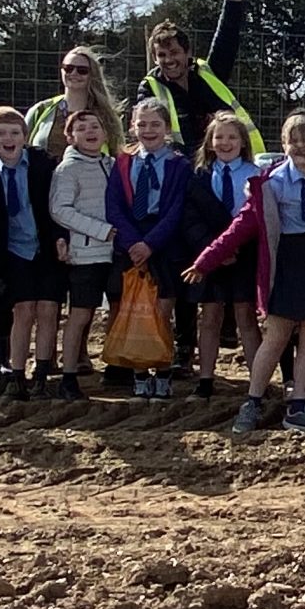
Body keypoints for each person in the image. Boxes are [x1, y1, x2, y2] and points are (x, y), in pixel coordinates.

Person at [190, 112, 305, 435]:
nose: (300, 146)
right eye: (293, 140)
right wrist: (206, 260)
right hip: (287, 261)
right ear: (283, 145)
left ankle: (300, 406)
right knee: (278, 333)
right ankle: (252, 401)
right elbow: (242, 225)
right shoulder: (270, 182)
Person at [106, 98, 192, 399]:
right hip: (132, 244)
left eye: (155, 124)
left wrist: (151, 243)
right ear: (132, 127)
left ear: (167, 128)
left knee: (161, 312)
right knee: (136, 311)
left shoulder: (179, 165)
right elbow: (114, 206)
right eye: (142, 124)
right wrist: (133, 243)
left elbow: (177, 209)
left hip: (164, 245)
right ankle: (140, 372)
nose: (148, 130)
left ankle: (164, 370)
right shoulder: (123, 162)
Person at [0, 105, 60, 398]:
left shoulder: (43, 164)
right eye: (0, 133)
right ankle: (16, 374)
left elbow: (57, 205)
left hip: (46, 248)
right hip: (13, 252)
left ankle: (43, 372)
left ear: (25, 136)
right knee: (22, 311)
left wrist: (61, 239)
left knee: (49, 310)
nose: (8, 138)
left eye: (14, 132)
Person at [180, 112, 263, 399]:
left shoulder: (256, 175)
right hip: (209, 256)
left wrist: (234, 248)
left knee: (246, 318)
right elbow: (189, 219)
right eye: (219, 137)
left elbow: (260, 219)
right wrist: (213, 250)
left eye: (232, 137)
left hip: (245, 256)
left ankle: (258, 383)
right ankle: (205, 381)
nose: (225, 142)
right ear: (210, 142)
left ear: (243, 142)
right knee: (210, 317)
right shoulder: (199, 176)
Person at [140, 0, 261, 156]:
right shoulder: (149, 88)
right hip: (182, 172)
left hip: (229, 163)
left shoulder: (207, 74)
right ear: (154, 59)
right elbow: (147, 130)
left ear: (188, 53)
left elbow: (227, 37)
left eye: (174, 53)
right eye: (161, 55)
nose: (168, 60)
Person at [47, 105, 116, 401]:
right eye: (82, 128)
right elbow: (59, 209)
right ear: (70, 136)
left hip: (115, 253)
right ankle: (69, 375)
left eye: (95, 126)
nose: (90, 132)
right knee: (80, 314)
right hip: (86, 255)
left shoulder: (112, 164)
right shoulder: (67, 169)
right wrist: (100, 230)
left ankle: (117, 367)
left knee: (118, 308)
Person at [24, 46, 124, 155]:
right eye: (68, 68)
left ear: (92, 74)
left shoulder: (105, 116)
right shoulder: (41, 110)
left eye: (82, 71)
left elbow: (117, 156)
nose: (74, 73)